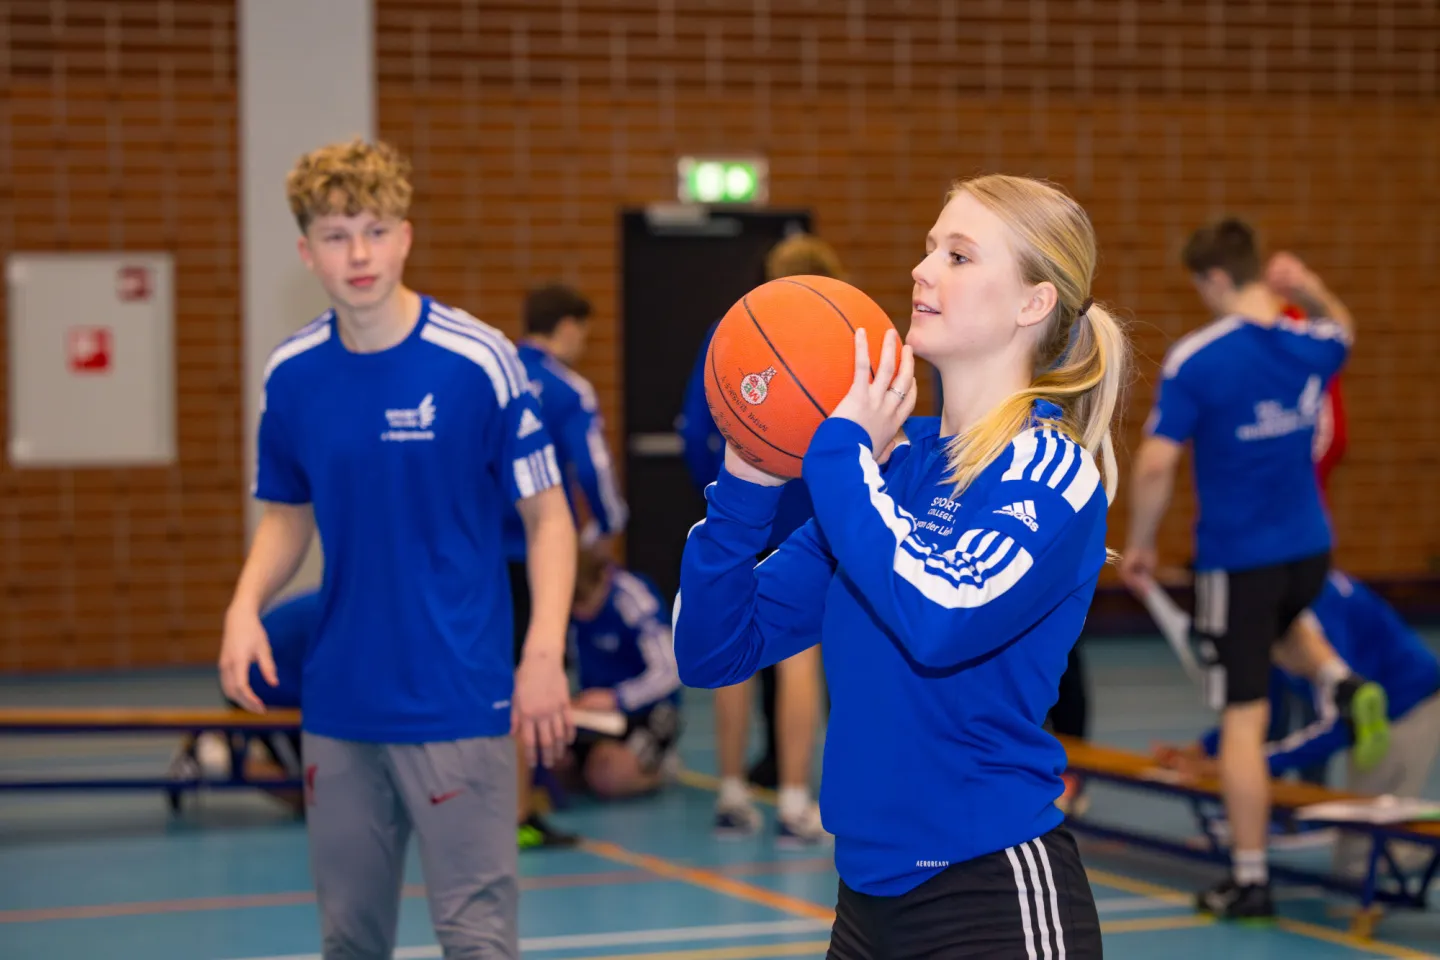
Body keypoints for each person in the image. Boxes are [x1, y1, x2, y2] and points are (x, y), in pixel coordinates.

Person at [676, 174, 1127, 958]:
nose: (922, 271)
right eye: (927, 250)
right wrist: (746, 491)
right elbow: (714, 651)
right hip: (865, 902)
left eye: (958, 255)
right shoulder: (896, 468)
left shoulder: (1049, 472)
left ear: (1033, 303)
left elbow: (940, 616)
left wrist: (844, 458)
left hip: (991, 896)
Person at [218, 138, 576, 960]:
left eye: (375, 230)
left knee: (477, 943)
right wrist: (245, 608)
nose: (360, 254)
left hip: (459, 699)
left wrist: (544, 653)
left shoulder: (479, 362)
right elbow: (285, 513)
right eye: (337, 236)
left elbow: (549, 518)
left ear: (406, 237)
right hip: (340, 706)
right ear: (307, 252)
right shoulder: (293, 374)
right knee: (349, 941)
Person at [1119, 217, 1387, 920]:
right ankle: (1337, 677)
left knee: (1243, 718)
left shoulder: (1198, 359)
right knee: (1285, 623)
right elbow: (1346, 329)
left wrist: (1141, 543)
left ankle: (1249, 875)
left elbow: (1154, 462)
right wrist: (1310, 288)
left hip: (1239, 563)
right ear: (1258, 268)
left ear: (1211, 279)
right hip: (1310, 550)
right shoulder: (1308, 343)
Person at [677, 232, 836, 844]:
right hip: (814, 516)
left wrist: (725, 494)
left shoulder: (737, 328)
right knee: (800, 656)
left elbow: (697, 429)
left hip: (750, 511)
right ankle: (795, 801)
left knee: (732, 646)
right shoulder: (847, 338)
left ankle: (732, 791)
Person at [1155, 569, 1440, 881]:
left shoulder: (1320, 621)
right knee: (1358, 855)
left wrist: (1234, 765)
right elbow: (1256, 711)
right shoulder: (1271, 610)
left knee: (1358, 860)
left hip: (1408, 704)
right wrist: (1199, 751)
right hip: (1373, 709)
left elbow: (1338, 726)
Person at [502, 281, 629, 849]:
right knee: (531, 677)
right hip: (531, 557)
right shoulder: (567, 390)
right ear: (569, 327)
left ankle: (479, 807)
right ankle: (518, 812)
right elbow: (594, 472)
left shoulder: (492, 374)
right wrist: (603, 530)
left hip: (473, 556)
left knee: (482, 681)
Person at [561, 546, 683, 798]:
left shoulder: (632, 598)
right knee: (551, 762)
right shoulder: (571, 610)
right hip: (597, 715)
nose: (581, 613)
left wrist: (617, 698)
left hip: (648, 712)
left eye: (585, 600)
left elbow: (671, 670)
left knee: (610, 776)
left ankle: (658, 766)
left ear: (603, 578)